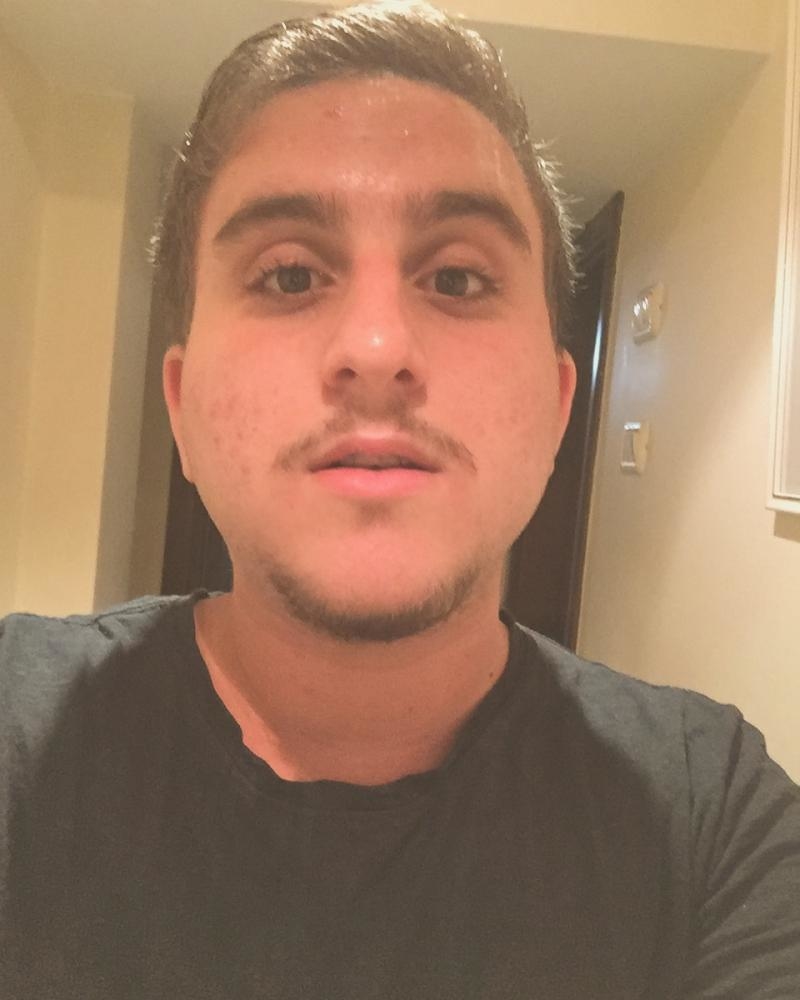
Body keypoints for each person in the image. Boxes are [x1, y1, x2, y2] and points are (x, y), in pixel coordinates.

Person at [1, 2, 798, 997]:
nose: (376, 350)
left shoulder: (712, 818)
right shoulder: (16, 729)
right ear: (181, 408)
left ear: (557, 409)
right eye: (289, 274)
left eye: (456, 279)